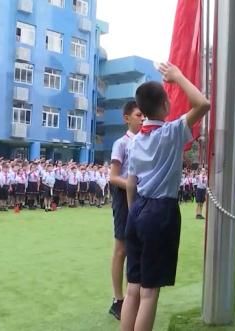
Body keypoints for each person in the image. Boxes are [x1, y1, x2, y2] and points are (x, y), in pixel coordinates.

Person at [121, 62, 210, 331]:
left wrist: (135, 214)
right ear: (165, 105)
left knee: (133, 288)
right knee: (149, 292)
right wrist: (178, 76)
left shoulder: (135, 140)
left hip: (137, 211)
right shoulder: (170, 133)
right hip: (160, 212)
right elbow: (203, 104)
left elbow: (130, 183)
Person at [108, 100, 143, 320]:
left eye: (143, 115)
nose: (142, 118)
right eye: (138, 115)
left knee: (137, 247)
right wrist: (132, 185)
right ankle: (118, 299)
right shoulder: (121, 143)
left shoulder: (146, 141)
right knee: (121, 248)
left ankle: (134, 297)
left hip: (141, 197)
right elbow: (112, 177)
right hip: (123, 197)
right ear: (127, 118)